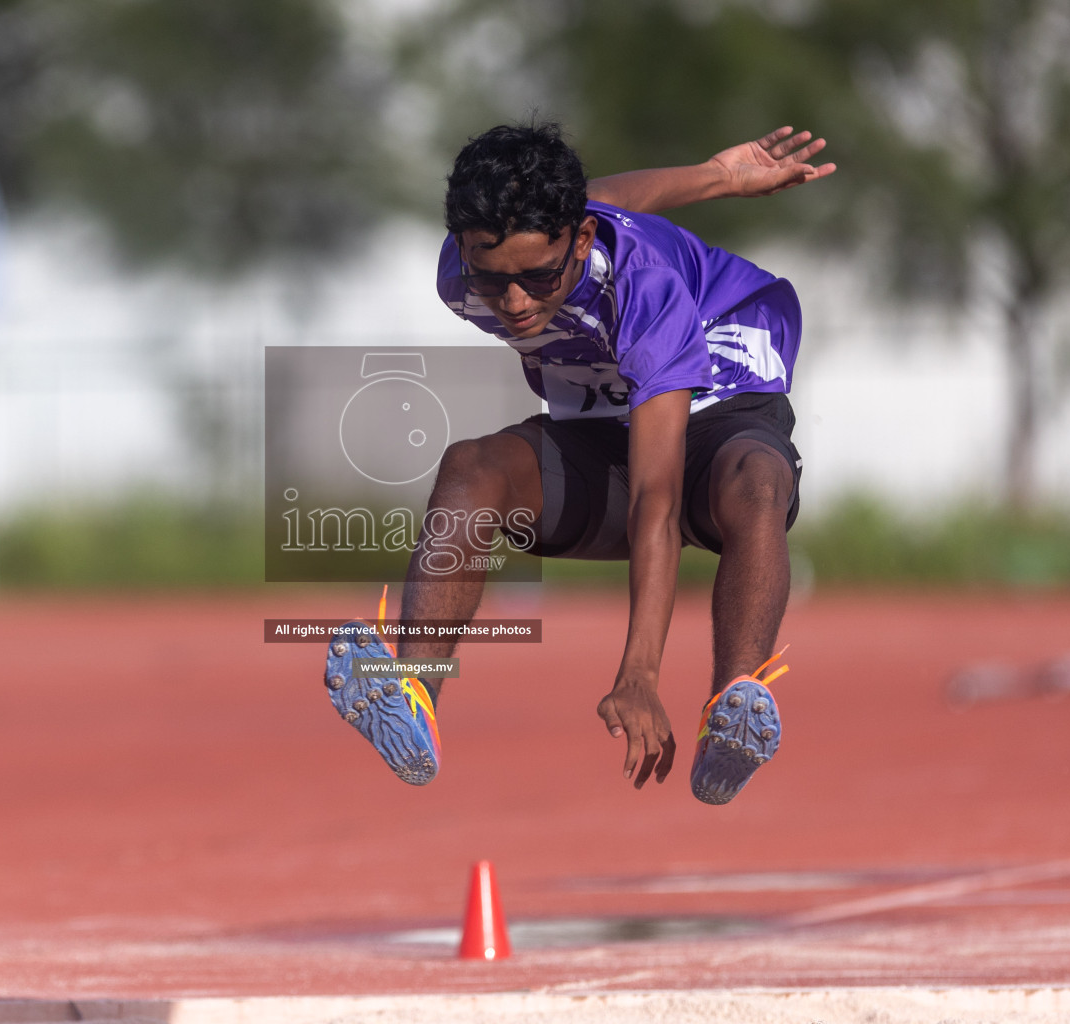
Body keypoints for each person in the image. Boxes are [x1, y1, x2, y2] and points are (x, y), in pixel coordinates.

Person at [322, 124, 834, 804]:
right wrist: (717, 174)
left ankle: (734, 708)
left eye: (538, 277)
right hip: (605, 417)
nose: (515, 302)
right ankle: (413, 692)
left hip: (721, 388)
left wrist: (640, 674)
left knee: (756, 484)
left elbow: (658, 496)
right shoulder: (469, 265)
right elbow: (602, 197)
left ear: (582, 242)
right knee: (472, 469)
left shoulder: (643, 290)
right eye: (492, 277)